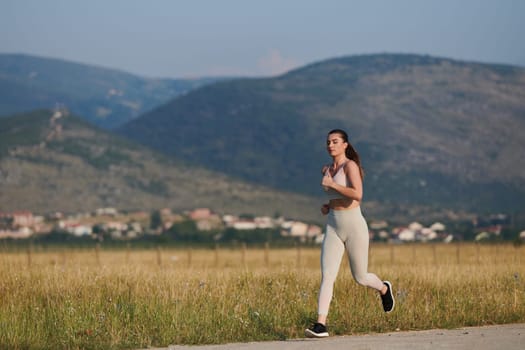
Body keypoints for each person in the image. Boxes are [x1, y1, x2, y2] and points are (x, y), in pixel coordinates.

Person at [305, 129, 395, 338]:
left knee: (360, 277)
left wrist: (332, 184)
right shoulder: (328, 169)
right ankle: (321, 324)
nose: (330, 145)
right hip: (333, 225)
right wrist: (329, 205)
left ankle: (383, 288)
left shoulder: (350, 166)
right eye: (328, 142)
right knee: (328, 275)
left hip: (354, 225)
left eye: (335, 142)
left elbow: (358, 194)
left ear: (345, 145)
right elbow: (340, 196)